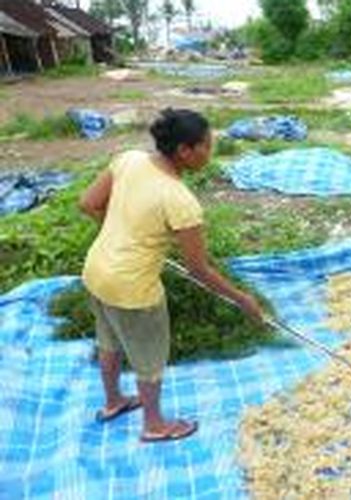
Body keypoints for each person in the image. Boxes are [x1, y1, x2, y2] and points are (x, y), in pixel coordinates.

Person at [78, 108, 263, 442]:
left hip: (95, 271)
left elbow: (88, 203)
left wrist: (125, 235)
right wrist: (242, 299)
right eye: (206, 146)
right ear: (184, 151)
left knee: (108, 340)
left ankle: (113, 401)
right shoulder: (180, 199)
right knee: (149, 358)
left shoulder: (129, 160)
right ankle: (154, 425)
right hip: (133, 288)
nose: (210, 152)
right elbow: (198, 268)